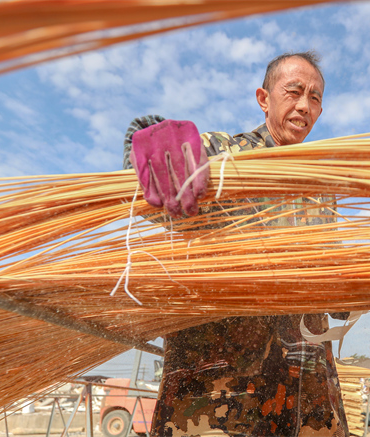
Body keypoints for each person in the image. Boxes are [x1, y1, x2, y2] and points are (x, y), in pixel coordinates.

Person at [123, 51, 349, 437]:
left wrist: (352, 292)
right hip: (217, 387)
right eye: (293, 91)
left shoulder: (319, 189)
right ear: (264, 98)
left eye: (314, 98)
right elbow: (146, 176)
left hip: (306, 388)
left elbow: (330, 284)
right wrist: (146, 137)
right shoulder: (222, 155)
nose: (303, 105)